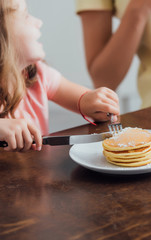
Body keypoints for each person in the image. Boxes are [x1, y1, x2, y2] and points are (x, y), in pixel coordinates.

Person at [0, 0, 120, 152]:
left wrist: (92, 101)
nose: (38, 22)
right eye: (25, 16)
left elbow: (81, 99)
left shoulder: (38, 74)